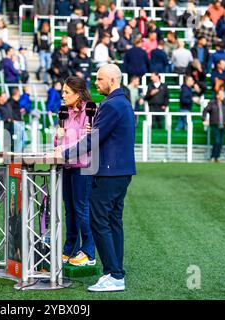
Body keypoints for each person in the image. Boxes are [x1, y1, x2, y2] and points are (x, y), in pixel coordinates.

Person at [56, 64, 136, 292]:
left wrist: (65, 152)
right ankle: (115, 272)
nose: (96, 82)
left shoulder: (111, 105)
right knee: (113, 222)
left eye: (100, 79)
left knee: (99, 220)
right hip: (121, 171)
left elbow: (93, 140)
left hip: (110, 172)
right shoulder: (123, 104)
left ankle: (114, 274)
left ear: (112, 80)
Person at [54, 76, 96, 267]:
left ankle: (88, 252)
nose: (63, 95)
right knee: (70, 209)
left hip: (84, 166)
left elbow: (89, 140)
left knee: (81, 208)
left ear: (78, 94)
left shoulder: (90, 109)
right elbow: (59, 141)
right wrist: (58, 136)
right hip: (66, 165)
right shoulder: (64, 111)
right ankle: (70, 248)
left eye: (66, 92)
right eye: (63, 92)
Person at [202, 88, 225, 162]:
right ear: (217, 95)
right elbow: (205, 110)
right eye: (221, 94)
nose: (222, 96)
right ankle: (213, 156)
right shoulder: (212, 103)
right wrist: (204, 119)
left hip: (223, 125)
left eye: (223, 95)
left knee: (221, 142)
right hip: (215, 124)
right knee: (217, 141)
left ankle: (217, 157)